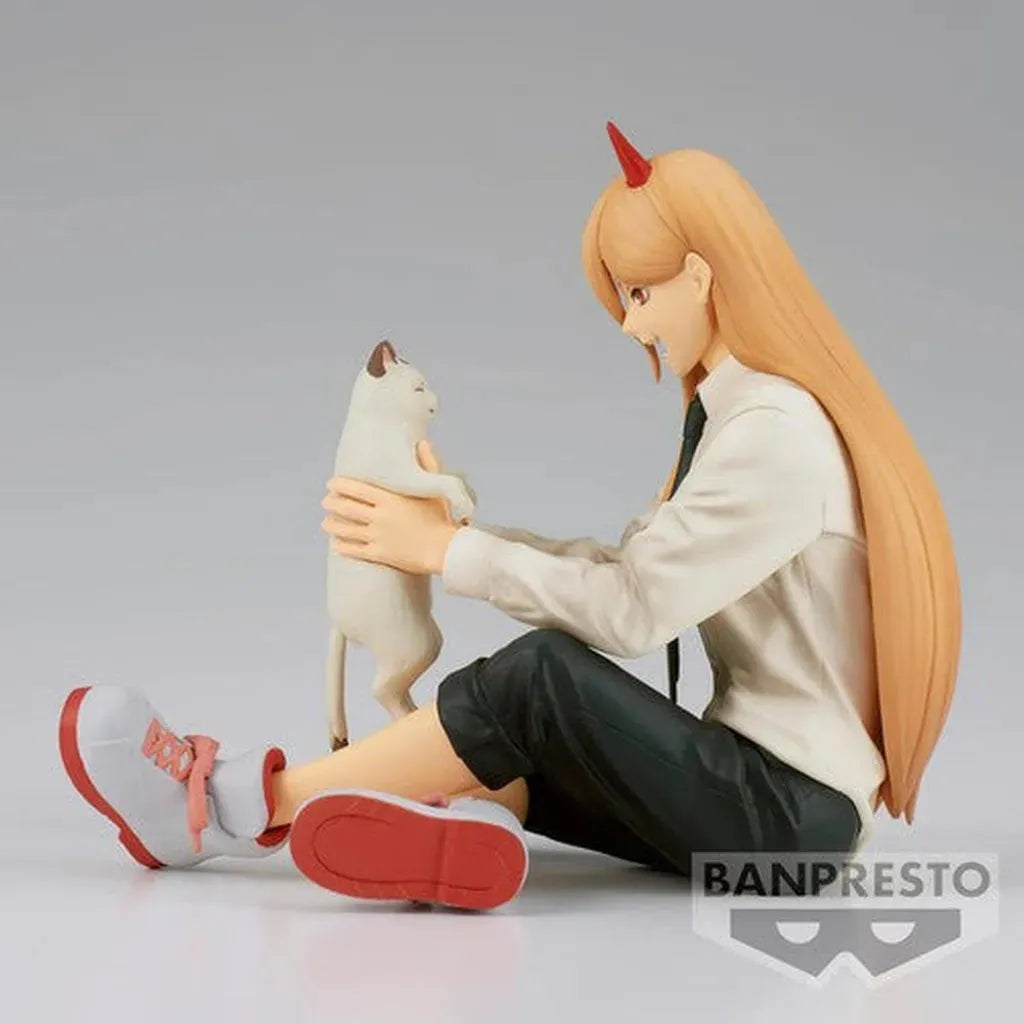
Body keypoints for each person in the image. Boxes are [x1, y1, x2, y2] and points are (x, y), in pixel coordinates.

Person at [57, 121, 961, 912]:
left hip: (787, 819)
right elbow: (626, 568)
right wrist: (455, 540)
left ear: (700, 274)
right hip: (763, 808)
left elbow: (633, 612)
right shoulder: (735, 420)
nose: (630, 325)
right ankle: (457, 823)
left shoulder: (774, 433)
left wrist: (450, 551)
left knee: (540, 678)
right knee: (522, 745)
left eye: (639, 295)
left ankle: (233, 808)